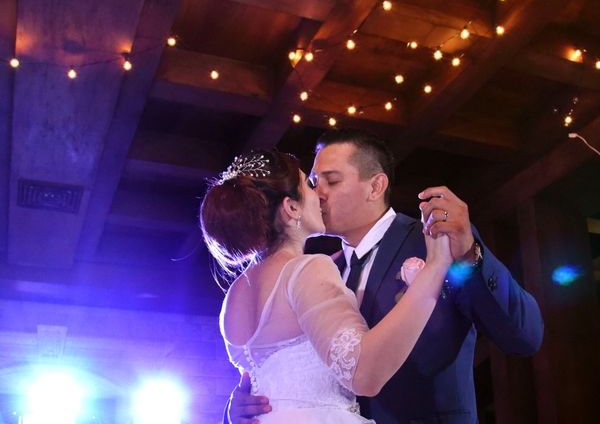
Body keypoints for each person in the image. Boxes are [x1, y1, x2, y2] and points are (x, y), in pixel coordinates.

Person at [227, 129, 544, 424]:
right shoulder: (315, 271)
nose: (318, 193)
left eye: (332, 181)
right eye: (312, 182)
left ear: (375, 186)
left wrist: (470, 253)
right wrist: (252, 401)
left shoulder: (435, 241)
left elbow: (524, 335)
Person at [201, 149, 454, 423]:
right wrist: (436, 266)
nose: (318, 194)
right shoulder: (306, 269)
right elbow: (364, 374)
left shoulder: (234, 296)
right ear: (291, 208)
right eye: (308, 185)